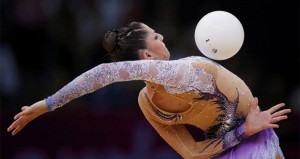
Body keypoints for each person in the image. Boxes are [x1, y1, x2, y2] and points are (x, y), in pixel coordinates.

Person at [7, 22, 291, 159]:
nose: (163, 36)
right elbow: (191, 153)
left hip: (254, 139)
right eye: (156, 36)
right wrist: (47, 104)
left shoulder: (185, 70)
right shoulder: (148, 101)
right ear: (146, 57)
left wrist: (248, 131)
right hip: (229, 143)